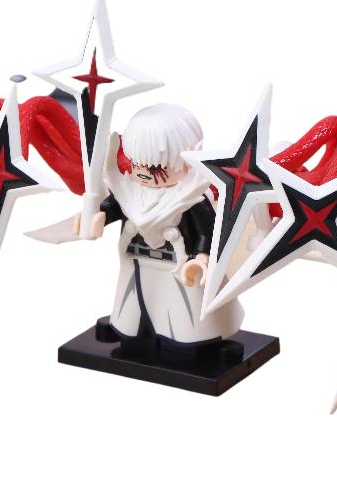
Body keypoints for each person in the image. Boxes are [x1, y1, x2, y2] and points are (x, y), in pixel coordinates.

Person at [73, 103, 244, 362]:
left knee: (183, 311)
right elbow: (115, 205)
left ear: (186, 162)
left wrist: (201, 258)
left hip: (181, 267)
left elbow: (207, 231)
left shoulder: (190, 198)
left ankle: (190, 344)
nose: (143, 173)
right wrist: (100, 216)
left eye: (155, 167)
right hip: (136, 261)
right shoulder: (131, 190)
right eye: (137, 163)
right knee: (132, 306)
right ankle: (130, 333)